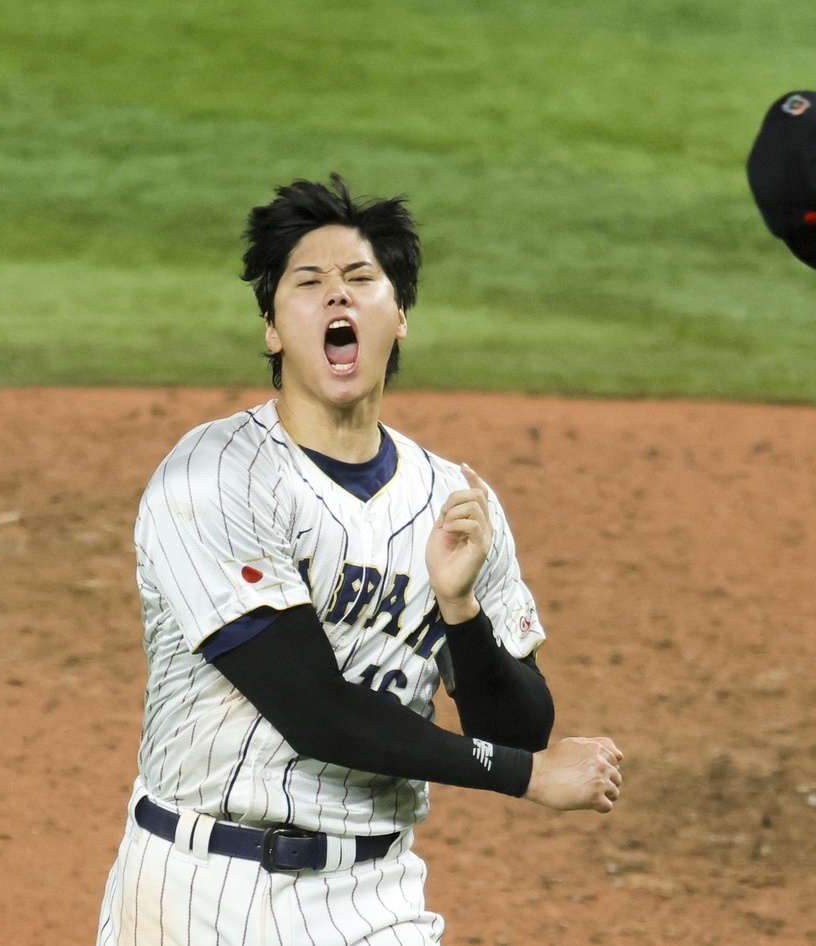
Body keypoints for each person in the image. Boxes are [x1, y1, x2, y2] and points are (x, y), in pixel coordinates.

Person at [96, 173, 624, 945]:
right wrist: (528, 779)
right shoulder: (213, 477)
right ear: (273, 328)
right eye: (307, 283)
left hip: (375, 891)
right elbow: (316, 712)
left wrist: (461, 612)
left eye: (360, 280)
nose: (336, 298)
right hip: (198, 888)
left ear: (398, 316)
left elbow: (519, 723)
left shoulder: (452, 500)